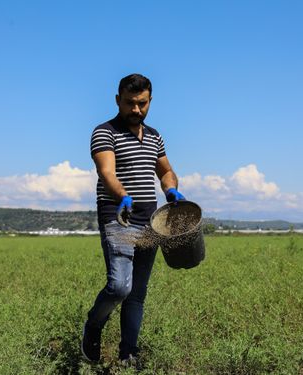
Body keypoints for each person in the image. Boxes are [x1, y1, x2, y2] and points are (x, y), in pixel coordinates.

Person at [82, 73, 186, 364]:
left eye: (142, 103)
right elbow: (107, 172)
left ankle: (128, 353)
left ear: (150, 101)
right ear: (118, 100)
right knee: (119, 287)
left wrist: (171, 190)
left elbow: (165, 171)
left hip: (151, 220)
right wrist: (122, 196)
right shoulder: (105, 132)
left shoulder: (155, 136)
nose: (136, 110)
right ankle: (93, 326)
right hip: (119, 217)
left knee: (137, 294)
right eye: (129, 103)